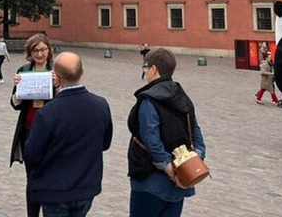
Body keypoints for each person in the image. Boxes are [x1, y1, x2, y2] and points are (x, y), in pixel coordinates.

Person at [24, 52, 113, 217]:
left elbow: (31, 154)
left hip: (54, 190)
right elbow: (105, 143)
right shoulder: (100, 104)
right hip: (86, 187)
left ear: (56, 78)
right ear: (82, 72)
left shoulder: (47, 112)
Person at [128, 48, 206, 217]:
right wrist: (195, 160)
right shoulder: (182, 95)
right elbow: (195, 130)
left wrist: (172, 172)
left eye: (145, 68)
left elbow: (152, 140)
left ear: (153, 69)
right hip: (181, 180)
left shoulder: (149, 99)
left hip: (151, 180)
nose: (145, 72)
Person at [11, 34, 55, 217]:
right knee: (32, 177)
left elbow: (64, 101)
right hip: (29, 130)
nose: (39, 54)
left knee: (50, 176)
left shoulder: (56, 71)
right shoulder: (24, 71)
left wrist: (58, 87)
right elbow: (15, 103)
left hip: (51, 133)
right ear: (29, 53)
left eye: (43, 50)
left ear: (49, 51)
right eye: (35, 50)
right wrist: (18, 91)